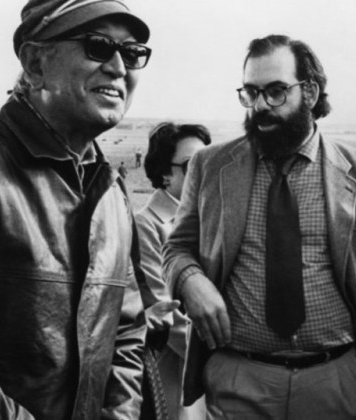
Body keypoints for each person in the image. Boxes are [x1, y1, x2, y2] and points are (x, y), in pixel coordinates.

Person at [0, 1, 153, 419]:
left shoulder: (111, 189)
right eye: (98, 46)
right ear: (35, 63)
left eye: (132, 53)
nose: (119, 67)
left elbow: (127, 333)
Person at [162, 34, 356, 419]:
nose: (260, 105)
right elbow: (176, 248)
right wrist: (190, 281)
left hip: (337, 383)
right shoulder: (210, 166)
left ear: (309, 92)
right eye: (251, 92)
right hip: (238, 380)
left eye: (276, 91)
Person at [135, 122, 212, 420]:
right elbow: (164, 309)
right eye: (192, 164)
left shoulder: (209, 217)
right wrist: (217, 357)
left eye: (208, 160)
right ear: (164, 173)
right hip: (177, 364)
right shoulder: (146, 224)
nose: (204, 170)